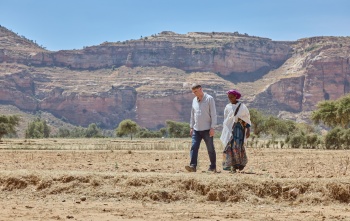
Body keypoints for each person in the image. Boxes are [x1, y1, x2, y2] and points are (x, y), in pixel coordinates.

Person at [185, 84, 217, 172]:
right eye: (193, 92)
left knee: (210, 148)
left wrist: (212, 127)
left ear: (200, 89)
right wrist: (191, 127)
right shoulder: (194, 100)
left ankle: (213, 166)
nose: (194, 93)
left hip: (207, 129)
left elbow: (213, 114)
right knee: (194, 147)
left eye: (195, 91)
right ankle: (193, 166)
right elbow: (192, 114)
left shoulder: (209, 99)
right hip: (196, 129)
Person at [220, 89, 251, 173]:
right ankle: (230, 165)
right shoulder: (227, 107)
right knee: (228, 147)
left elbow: (247, 119)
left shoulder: (242, 107)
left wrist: (248, 130)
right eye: (228, 97)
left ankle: (239, 164)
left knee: (237, 146)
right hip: (229, 130)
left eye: (231, 97)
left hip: (239, 130)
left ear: (235, 97)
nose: (230, 98)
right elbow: (226, 119)